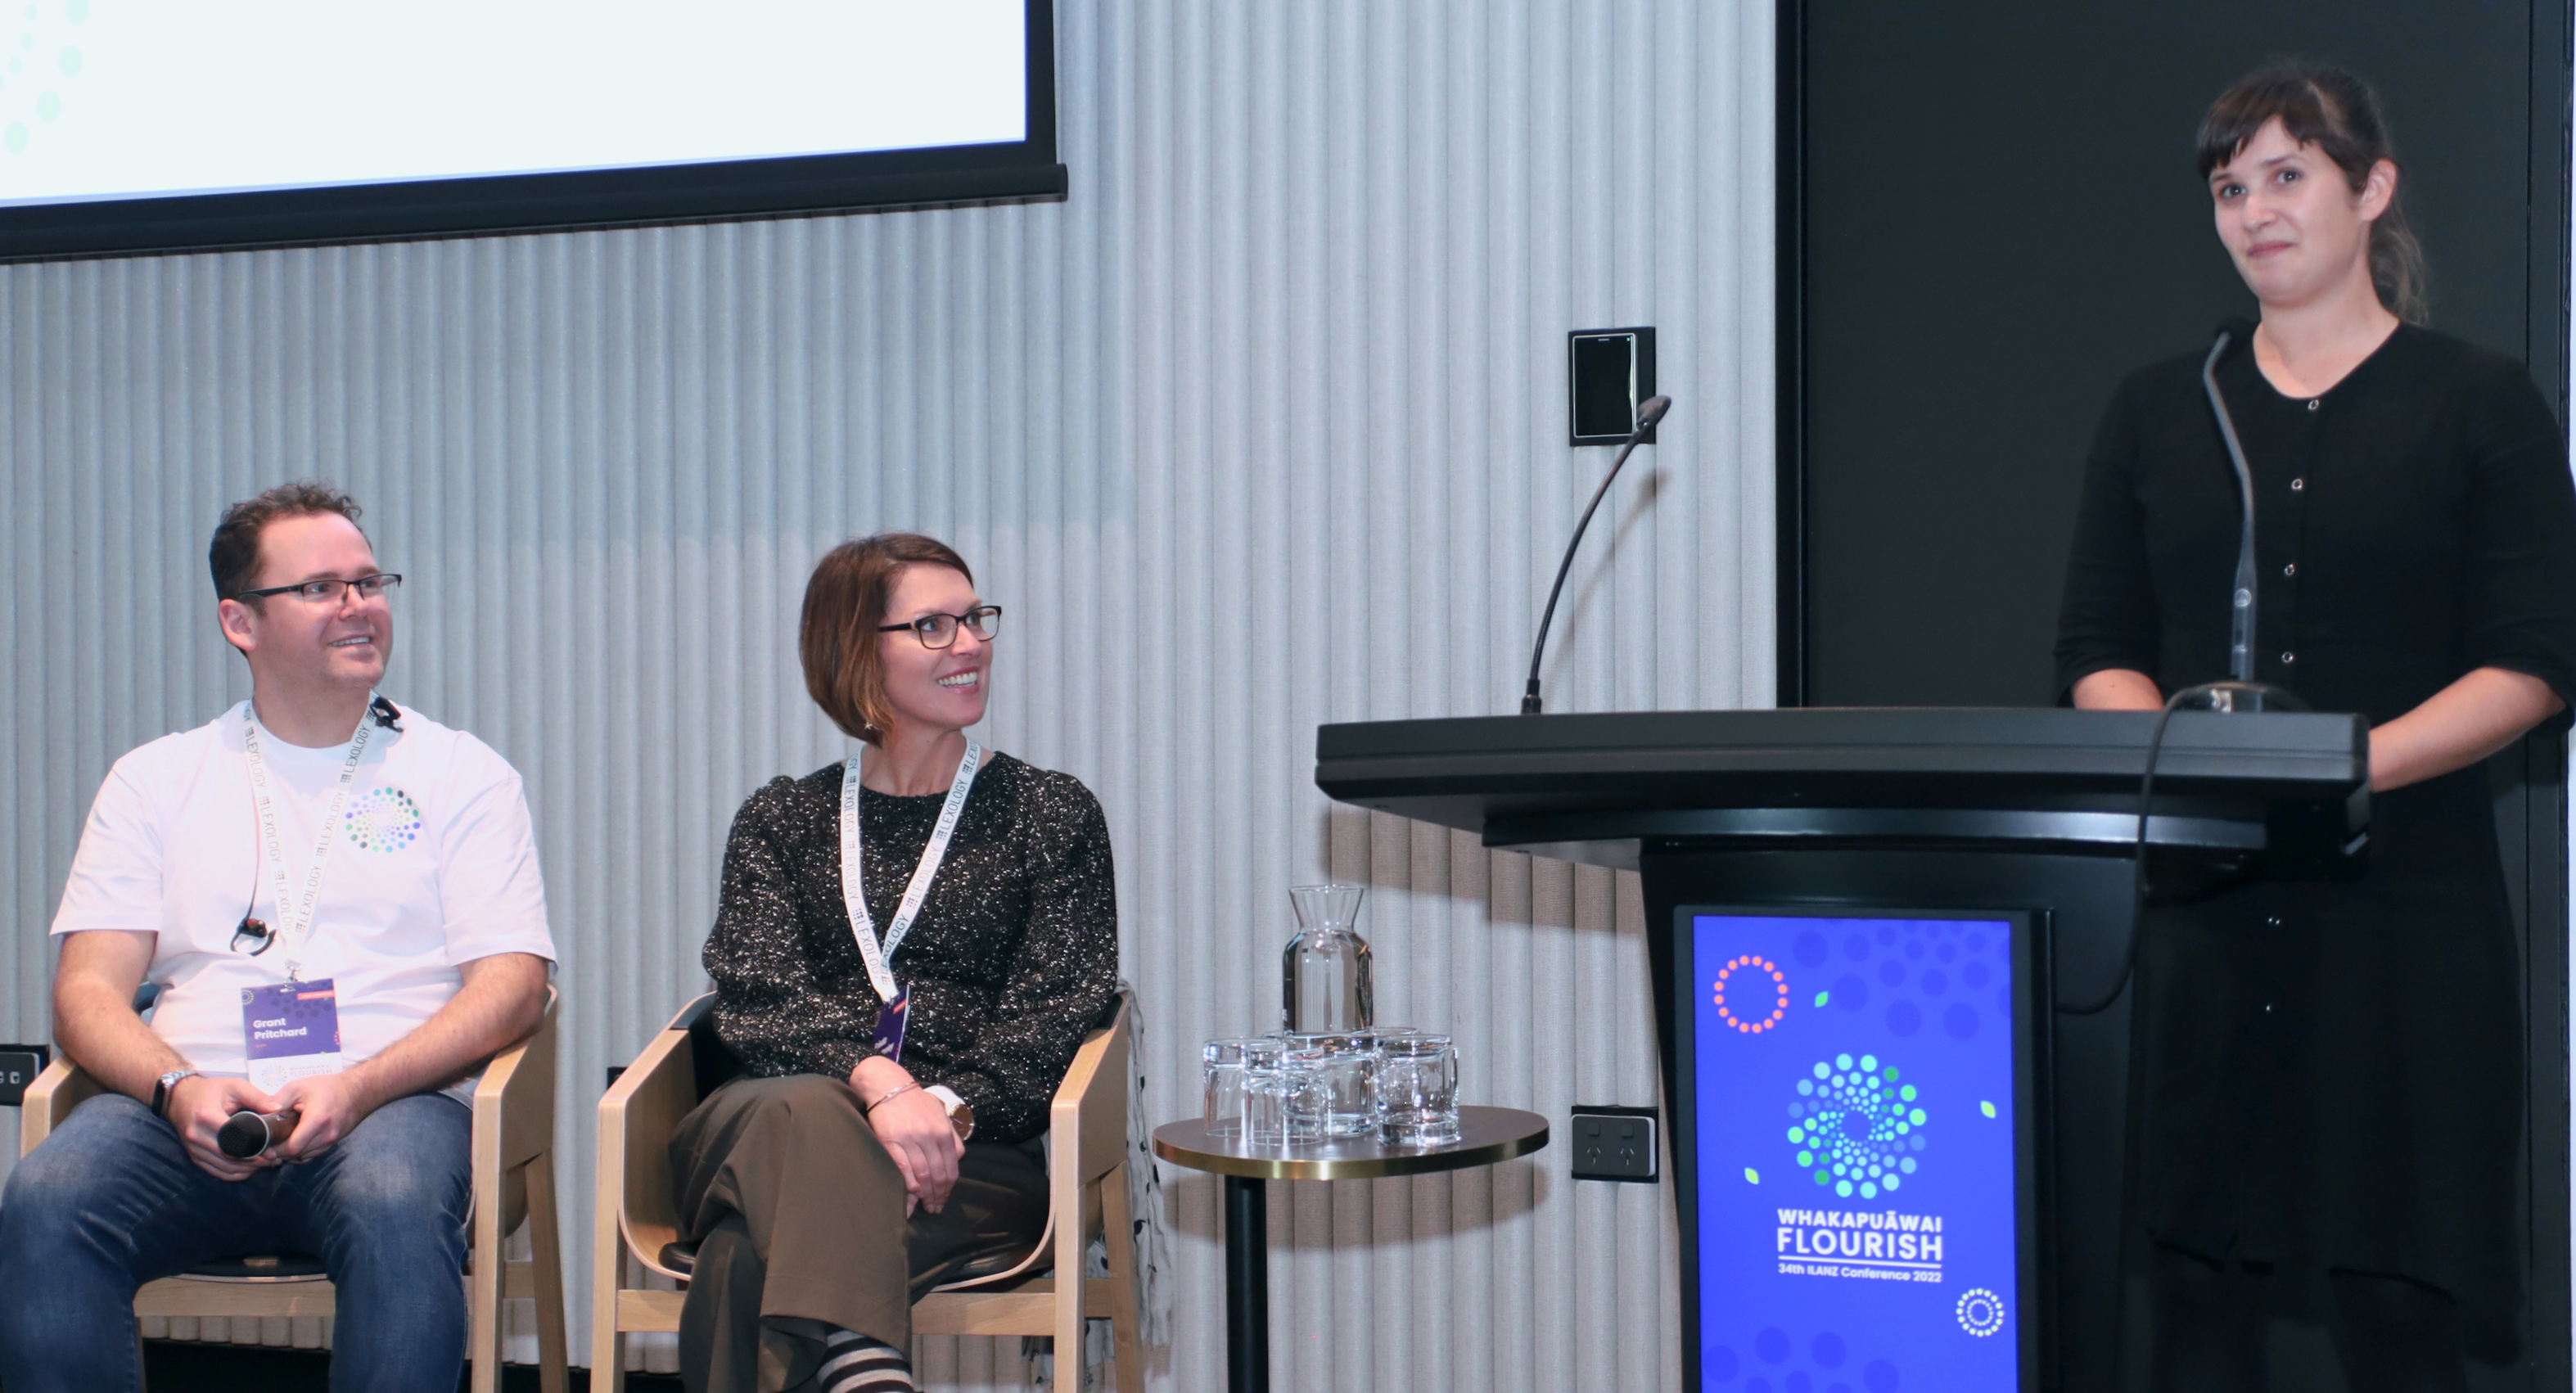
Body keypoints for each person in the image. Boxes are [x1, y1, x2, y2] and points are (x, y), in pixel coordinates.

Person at [2055, 63, 2576, 1392]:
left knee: (2398, 1315)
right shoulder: (2155, 408)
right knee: (2192, 1315)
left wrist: (2335, 769)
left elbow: (2535, 660)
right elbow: (2095, 650)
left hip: (2401, 929)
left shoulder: (2479, 400)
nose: (2253, 211)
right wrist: (2190, 773)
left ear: (2370, 187)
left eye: (2286, 175)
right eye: (2227, 187)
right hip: (2194, 926)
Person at [0, 482, 557, 1391]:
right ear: (240, 621)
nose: (359, 605)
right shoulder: (155, 779)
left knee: (392, 1195)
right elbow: (86, 991)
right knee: (48, 1197)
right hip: (188, 1110)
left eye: (369, 582)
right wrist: (177, 1089)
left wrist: (359, 1086)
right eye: (321, 588)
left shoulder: (462, 774)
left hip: (390, 1107)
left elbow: (514, 985)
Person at [672, 532, 1118, 1393]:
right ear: (855, 650)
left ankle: (857, 1363)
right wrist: (879, 1086)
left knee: (740, 1256)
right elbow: (759, 1001)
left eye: (976, 619)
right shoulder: (782, 819)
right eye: (933, 626)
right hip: (772, 1121)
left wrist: (936, 1115)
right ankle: (865, 1366)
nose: (970, 644)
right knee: (806, 1109)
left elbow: (1057, 1014)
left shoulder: (1047, 813)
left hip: (967, 1157)